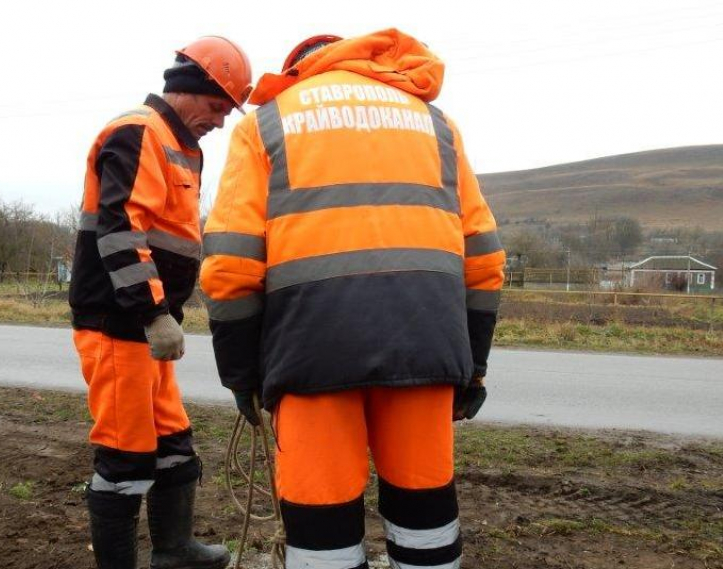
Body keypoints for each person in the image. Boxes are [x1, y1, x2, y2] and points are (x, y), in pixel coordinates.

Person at [200, 29, 505, 569]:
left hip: (310, 356)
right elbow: (482, 260)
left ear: (297, 70)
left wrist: (241, 374)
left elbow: (230, 266)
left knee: (322, 526)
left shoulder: (266, 124)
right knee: (425, 512)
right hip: (427, 348)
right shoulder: (436, 124)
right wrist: (472, 366)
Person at [68, 36, 252, 569]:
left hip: (148, 328)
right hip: (120, 324)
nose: (219, 122)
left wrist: (163, 316)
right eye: (217, 107)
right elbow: (122, 229)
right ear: (190, 89)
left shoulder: (180, 143)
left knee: (173, 445)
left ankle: (174, 551)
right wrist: (152, 313)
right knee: (125, 458)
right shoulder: (138, 131)